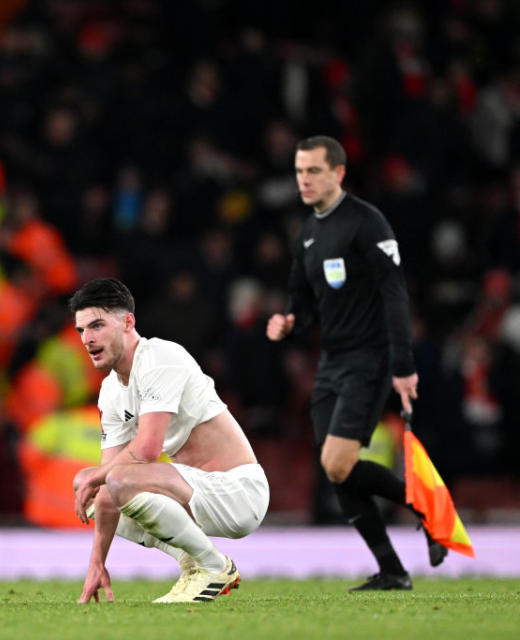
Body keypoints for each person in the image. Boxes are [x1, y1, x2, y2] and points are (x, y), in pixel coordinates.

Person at [266, 135, 447, 591]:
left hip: (371, 359)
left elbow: (394, 294)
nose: (303, 180)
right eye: (299, 171)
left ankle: (430, 511)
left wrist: (404, 365)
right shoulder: (308, 232)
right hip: (331, 362)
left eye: (313, 171)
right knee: (334, 469)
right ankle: (392, 569)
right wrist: (289, 321)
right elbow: (302, 300)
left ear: (338, 173)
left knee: (337, 461)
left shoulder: (368, 223)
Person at [70, 278, 269, 604]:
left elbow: (147, 450)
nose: (87, 339)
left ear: (127, 322)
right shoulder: (110, 390)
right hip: (194, 495)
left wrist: (99, 477)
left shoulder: (160, 357)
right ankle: (193, 564)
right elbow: (106, 491)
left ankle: (213, 566)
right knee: (90, 486)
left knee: (112, 478)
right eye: (81, 331)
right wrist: (96, 563)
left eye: (97, 326)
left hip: (239, 492)